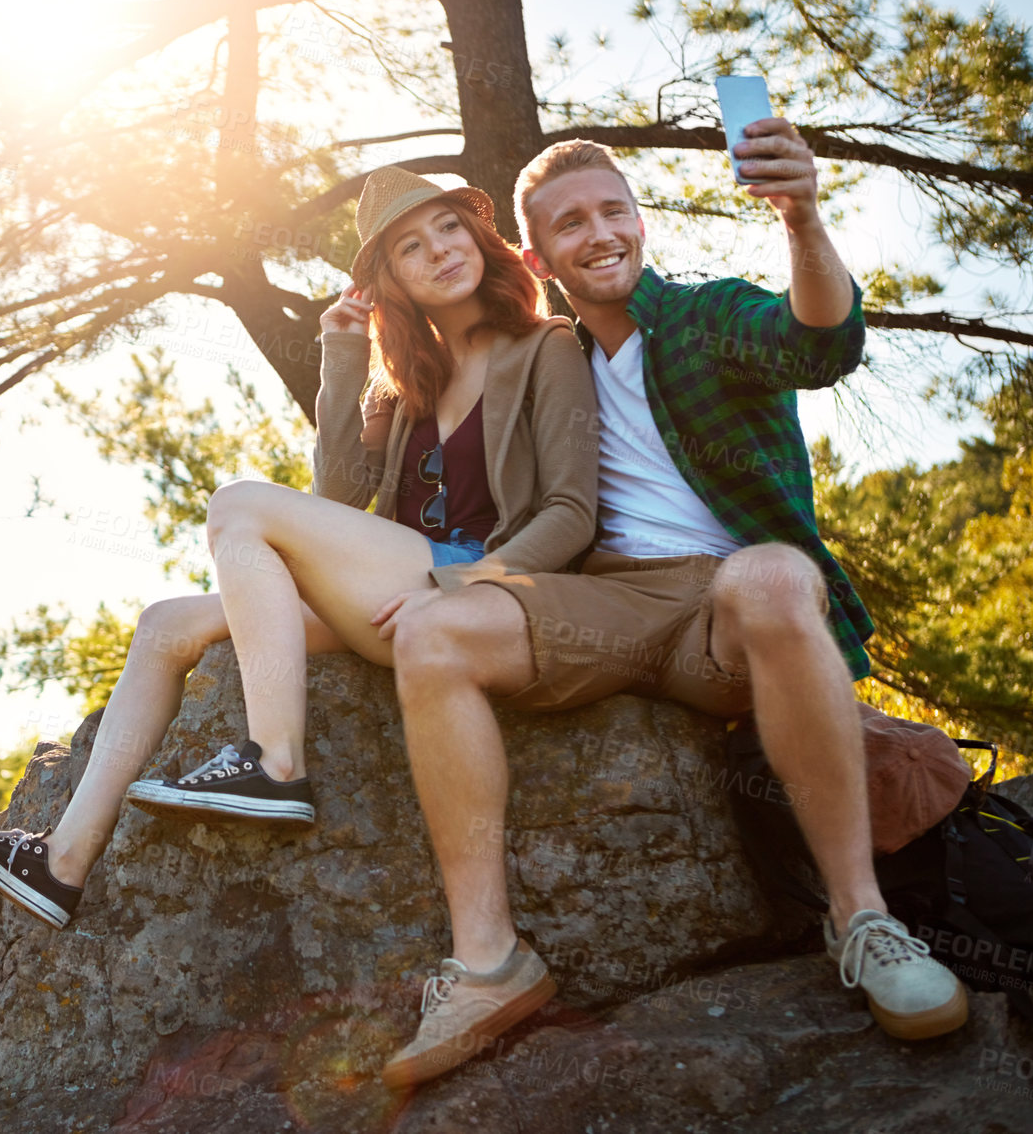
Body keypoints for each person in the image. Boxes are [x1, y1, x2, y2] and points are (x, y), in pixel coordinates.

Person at [373, 125, 967, 1090]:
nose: (599, 233)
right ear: (535, 257)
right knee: (436, 631)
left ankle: (864, 922)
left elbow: (821, 340)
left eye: (614, 211)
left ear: (639, 223)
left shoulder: (703, 321)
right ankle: (487, 964)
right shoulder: (543, 362)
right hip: (599, 604)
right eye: (570, 224)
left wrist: (802, 216)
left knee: (773, 575)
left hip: (725, 607)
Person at [0, 164, 599, 931]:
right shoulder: (413, 380)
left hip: (476, 592)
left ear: (480, 236)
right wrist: (342, 360)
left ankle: (277, 762)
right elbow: (339, 502)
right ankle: (63, 862)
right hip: (397, 591)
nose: (441, 250)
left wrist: (467, 586)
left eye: (449, 227)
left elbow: (572, 514)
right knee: (164, 625)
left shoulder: (545, 347)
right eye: (411, 247)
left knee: (240, 504)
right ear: (393, 284)